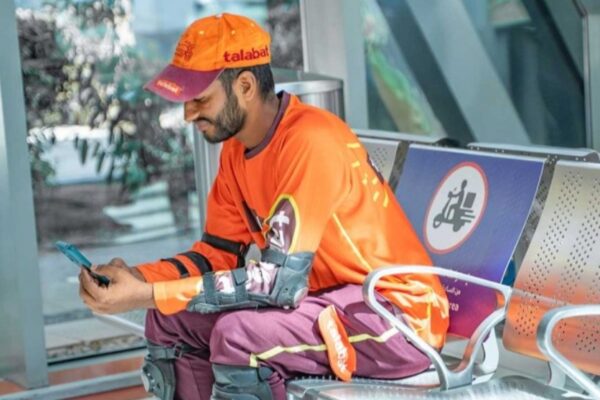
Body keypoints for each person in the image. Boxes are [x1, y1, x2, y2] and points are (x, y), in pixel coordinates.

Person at [78, 13, 449, 400]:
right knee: (169, 318)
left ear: (245, 86)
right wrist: (139, 279)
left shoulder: (310, 140)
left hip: (395, 318)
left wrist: (148, 293)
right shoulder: (235, 151)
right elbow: (216, 256)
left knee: (239, 337)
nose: (188, 114)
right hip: (323, 302)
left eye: (200, 99)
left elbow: (277, 283)